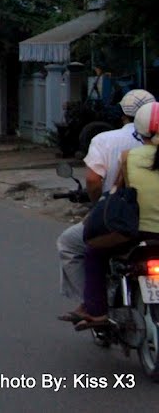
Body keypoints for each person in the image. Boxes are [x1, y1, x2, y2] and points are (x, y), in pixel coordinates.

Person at [57, 88, 155, 323]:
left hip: (130, 226)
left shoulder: (128, 156)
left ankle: (93, 305)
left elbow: (107, 188)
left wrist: (97, 208)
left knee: (87, 247)